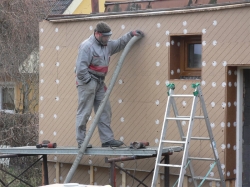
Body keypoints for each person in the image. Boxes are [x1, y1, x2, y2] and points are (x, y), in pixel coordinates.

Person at [75, 21, 144, 148]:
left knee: (105, 110)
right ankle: (81, 141)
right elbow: (80, 69)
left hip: (100, 82)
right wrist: (90, 82)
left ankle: (107, 140)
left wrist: (131, 34)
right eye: (105, 36)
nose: (107, 39)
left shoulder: (107, 44)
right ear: (97, 34)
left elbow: (119, 43)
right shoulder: (87, 46)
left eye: (108, 36)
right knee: (85, 111)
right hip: (87, 82)